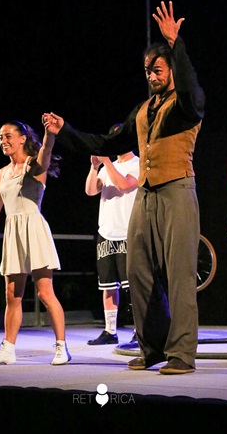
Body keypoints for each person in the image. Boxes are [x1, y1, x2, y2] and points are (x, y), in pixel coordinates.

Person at [43, 0, 205, 374]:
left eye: (158, 69)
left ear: (172, 70)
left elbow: (191, 89)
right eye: (148, 70)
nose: (152, 75)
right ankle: (152, 347)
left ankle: (182, 353)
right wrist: (66, 130)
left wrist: (176, 43)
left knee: (179, 275)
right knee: (139, 271)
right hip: (145, 195)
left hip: (177, 189)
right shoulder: (142, 110)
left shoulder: (185, 103)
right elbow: (107, 143)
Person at [0, 120, 71, 366]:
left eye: (8, 136)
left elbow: (46, 153)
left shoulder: (33, 165)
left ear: (22, 139)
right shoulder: (2, 173)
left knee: (45, 292)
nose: (3, 141)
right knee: (12, 295)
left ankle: (62, 347)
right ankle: (8, 349)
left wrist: (49, 135)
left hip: (33, 229)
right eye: (0, 137)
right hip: (13, 232)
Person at [85, 123, 139, 346]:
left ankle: (140, 329)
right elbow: (90, 190)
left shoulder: (137, 164)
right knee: (108, 284)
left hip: (128, 232)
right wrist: (94, 167)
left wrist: (106, 162)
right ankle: (110, 331)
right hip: (106, 231)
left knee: (133, 285)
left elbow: (124, 185)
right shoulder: (108, 166)